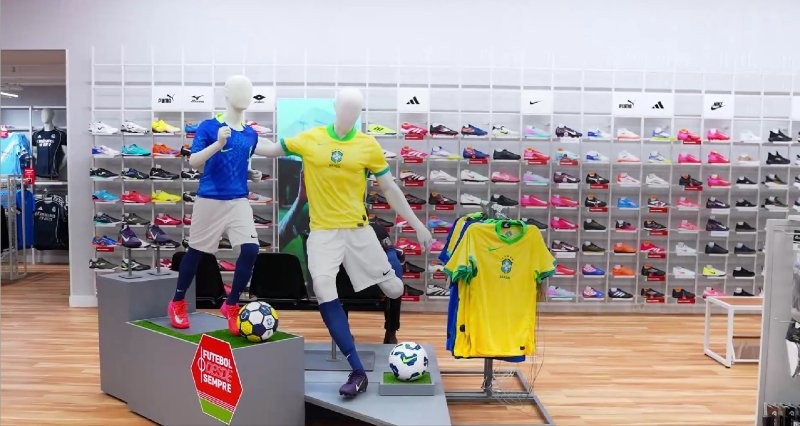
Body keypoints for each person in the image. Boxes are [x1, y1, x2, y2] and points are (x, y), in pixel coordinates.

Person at [255, 88, 432, 397]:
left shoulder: (367, 145)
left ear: (360, 113)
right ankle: (357, 369)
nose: (349, 114)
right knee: (323, 289)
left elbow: (390, 189)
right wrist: (237, 134)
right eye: (345, 107)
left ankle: (390, 258)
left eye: (356, 109)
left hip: (358, 231)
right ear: (335, 107)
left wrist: (417, 224)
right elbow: (271, 150)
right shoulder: (310, 139)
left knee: (395, 290)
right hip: (323, 233)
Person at [166, 75, 261, 335]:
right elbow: (193, 162)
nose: (245, 94)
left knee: (251, 250)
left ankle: (231, 305)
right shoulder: (209, 127)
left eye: (249, 90)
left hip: (238, 199)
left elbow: (240, 161)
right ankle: (177, 302)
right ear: (227, 94)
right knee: (196, 253)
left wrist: (250, 173)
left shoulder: (251, 134)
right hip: (210, 199)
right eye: (239, 89)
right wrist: (218, 143)